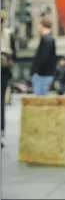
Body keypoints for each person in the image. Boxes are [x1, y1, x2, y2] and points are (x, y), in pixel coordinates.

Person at [1, 10, 16, 148]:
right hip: (4, 71)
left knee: (0, 102)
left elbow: (14, 54)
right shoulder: (8, 34)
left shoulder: (8, 34)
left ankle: (1, 132)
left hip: (3, 71)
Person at [31, 18, 57, 96]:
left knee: (40, 98)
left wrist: (36, 71)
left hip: (42, 75)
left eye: (39, 25)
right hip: (43, 74)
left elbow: (43, 58)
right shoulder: (47, 38)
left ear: (43, 26)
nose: (38, 27)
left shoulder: (47, 39)